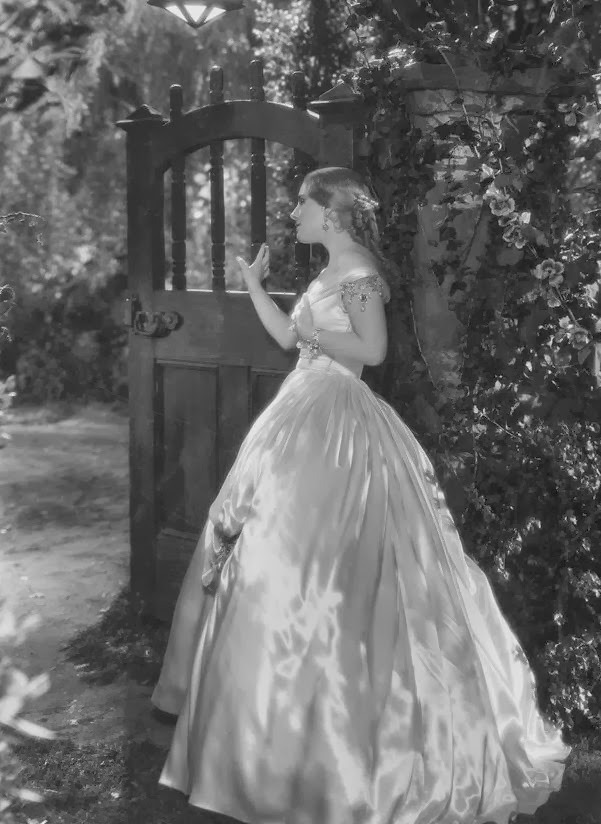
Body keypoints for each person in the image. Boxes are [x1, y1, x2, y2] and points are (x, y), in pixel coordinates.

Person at [152, 166, 570, 824]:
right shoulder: (329, 271)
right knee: (264, 553)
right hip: (301, 408)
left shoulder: (357, 273)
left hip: (337, 419)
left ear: (332, 212)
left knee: (318, 566)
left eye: (302, 204)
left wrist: (312, 335)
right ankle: (266, 732)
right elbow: (287, 339)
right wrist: (254, 284)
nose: (293, 214)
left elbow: (370, 351)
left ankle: (333, 731)